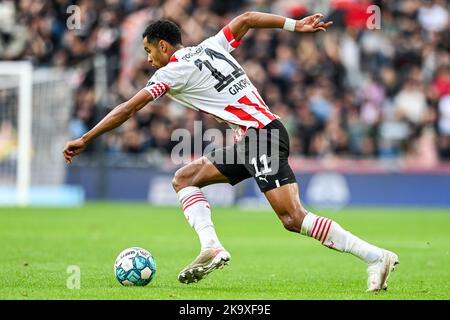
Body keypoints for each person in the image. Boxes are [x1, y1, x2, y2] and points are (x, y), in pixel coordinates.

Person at [63, 11, 398, 292]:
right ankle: (211, 247)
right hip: (251, 139)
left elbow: (127, 109)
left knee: (293, 218)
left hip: (261, 136)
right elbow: (248, 19)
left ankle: (374, 256)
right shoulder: (212, 46)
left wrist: (87, 138)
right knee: (185, 178)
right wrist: (296, 26)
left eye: (149, 51)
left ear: (163, 46)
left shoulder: (172, 70)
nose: (148, 59)